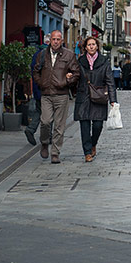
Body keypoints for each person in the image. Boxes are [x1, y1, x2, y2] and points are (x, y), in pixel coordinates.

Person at [34, 30, 79, 163]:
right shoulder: (42, 55)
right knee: (45, 122)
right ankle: (44, 142)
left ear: (62, 40)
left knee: (59, 125)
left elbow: (76, 73)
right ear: (50, 40)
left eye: (58, 39)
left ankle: (55, 152)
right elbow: (36, 71)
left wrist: (67, 82)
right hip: (46, 94)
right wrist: (41, 83)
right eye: (54, 39)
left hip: (62, 94)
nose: (55, 42)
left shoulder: (69, 55)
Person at [74, 36, 117, 162]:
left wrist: (113, 99)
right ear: (85, 47)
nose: (91, 47)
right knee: (84, 125)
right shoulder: (80, 61)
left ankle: (93, 143)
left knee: (98, 125)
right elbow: (76, 77)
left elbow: (110, 81)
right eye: (89, 45)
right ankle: (87, 152)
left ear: (97, 46)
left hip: (99, 96)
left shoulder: (104, 61)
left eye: (93, 44)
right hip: (84, 96)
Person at [24, 35, 50, 146]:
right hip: (45, 89)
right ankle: (48, 136)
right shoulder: (46, 55)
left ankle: (31, 129)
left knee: (40, 111)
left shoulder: (36, 54)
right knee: (49, 113)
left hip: (38, 89)